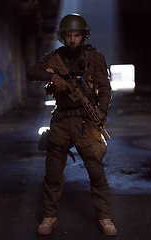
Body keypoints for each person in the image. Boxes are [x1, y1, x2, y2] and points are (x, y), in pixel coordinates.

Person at [27, 13, 117, 236]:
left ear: (83, 36)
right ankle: (50, 217)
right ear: (63, 37)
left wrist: (102, 111)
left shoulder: (95, 57)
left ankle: (105, 218)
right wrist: (54, 79)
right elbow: (32, 72)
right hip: (60, 122)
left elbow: (105, 89)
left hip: (86, 122)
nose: (73, 40)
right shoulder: (54, 57)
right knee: (53, 171)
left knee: (96, 171)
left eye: (77, 35)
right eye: (69, 36)